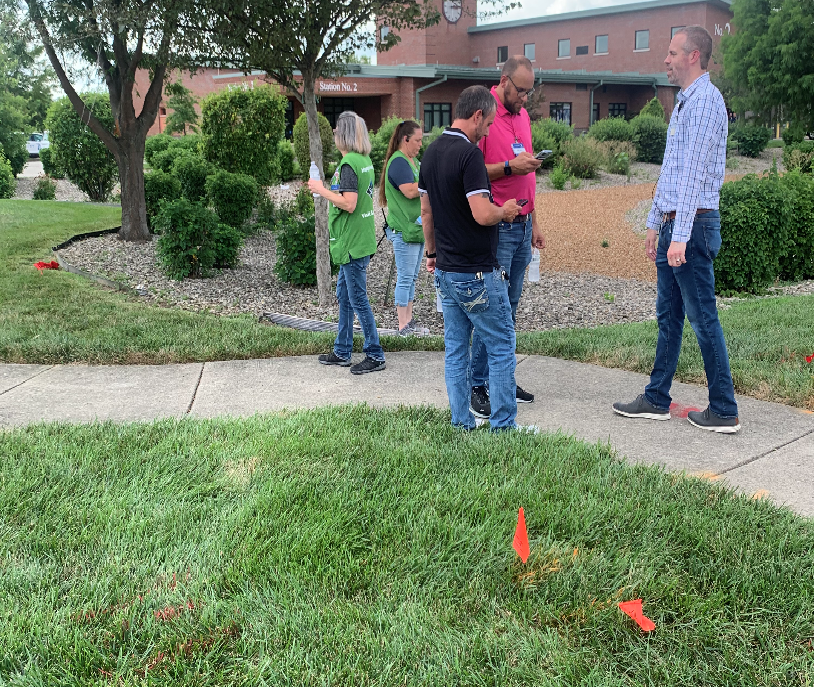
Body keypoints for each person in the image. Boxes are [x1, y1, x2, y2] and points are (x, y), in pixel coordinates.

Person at [613, 26, 741, 433]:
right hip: (676, 224)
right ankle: (656, 398)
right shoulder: (685, 103)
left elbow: (692, 178)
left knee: (703, 319)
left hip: (694, 225)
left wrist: (681, 235)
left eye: (672, 53)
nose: (665, 60)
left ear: (693, 56)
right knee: (669, 317)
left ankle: (724, 409)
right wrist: (655, 224)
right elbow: (670, 171)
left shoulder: (705, 101)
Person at [418, 85, 526, 431]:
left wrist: (432, 253)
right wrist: (505, 210)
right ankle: (504, 425)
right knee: (501, 346)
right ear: (477, 115)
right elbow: (481, 214)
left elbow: (426, 209)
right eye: (489, 122)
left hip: (446, 270)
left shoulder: (432, 152)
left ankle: (461, 422)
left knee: (455, 351)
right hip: (477, 273)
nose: (490, 129)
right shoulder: (470, 155)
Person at [468, 56, 546, 421]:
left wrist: (536, 221)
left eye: (530, 92)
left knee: (510, 309)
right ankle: (478, 385)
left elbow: (527, 176)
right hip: (498, 225)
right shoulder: (484, 112)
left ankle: (502, 378)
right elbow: (469, 168)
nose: (525, 99)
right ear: (503, 81)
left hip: (524, 223)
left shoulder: (523, 117)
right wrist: (510, 167)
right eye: (521, 91)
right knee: (492, 311)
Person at [308, 110, 386, 375]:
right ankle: (342, 350)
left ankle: (375, 354)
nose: (333, 134)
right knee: (345, 295)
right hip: (358, 240)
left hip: (351, 244)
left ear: (345, 134)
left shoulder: (349, 164)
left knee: (357, 299)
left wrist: (321, 190)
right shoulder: (363, 160)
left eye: (336, 130)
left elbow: (349, 203)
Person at [378, 120, 424, 336]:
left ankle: (409, 321)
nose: (420, 145)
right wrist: (432, 182)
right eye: (417, 140)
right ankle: (402, 325)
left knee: (412, 277)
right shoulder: (398, 163)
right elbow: (410, 191)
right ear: (405, 139)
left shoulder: (412, 161)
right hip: (404, 231)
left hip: (415, 229)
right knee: (405, 278)